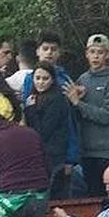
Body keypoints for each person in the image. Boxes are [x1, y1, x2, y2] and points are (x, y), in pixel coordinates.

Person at [65, 34, 109, 197]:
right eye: (92, 52)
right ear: (86, 54)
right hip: (87, 151)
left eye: (100, 52)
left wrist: (79, 103)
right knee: (92, 197)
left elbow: (107, 115)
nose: (96, 56)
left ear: (107, 55)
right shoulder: (82, 79)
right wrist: (74, 100)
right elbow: (75, 114)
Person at [22, 31, 80, 182]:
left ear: (59, 52)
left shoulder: (65, 79)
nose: (49, 53)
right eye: (45, 48)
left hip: (58, 149)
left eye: (53, 49)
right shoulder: (29, 79)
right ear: (37, 51)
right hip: (33, 147)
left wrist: (71, 156)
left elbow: (70, 121)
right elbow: (28, 112)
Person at [24, 61, 74, 199]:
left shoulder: (57, 100)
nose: (40, 82)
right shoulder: (32, 98)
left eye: (45, 79)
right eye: (37, 78)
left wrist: (31, 109)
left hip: (53, 157)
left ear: (52, 80)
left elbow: (43, 131)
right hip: (37, 156)